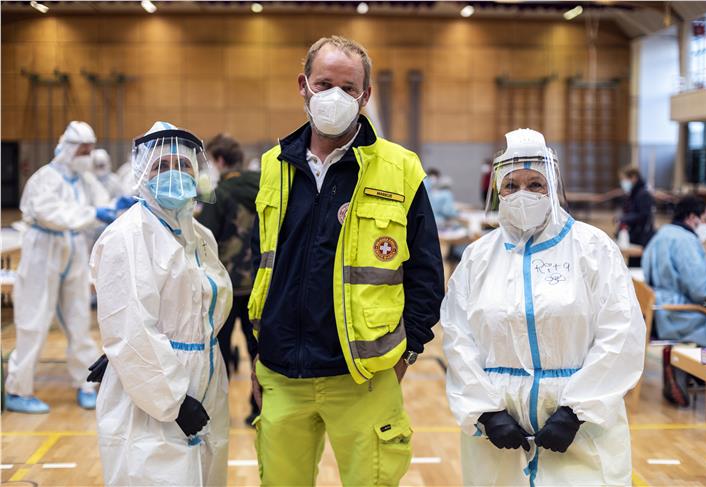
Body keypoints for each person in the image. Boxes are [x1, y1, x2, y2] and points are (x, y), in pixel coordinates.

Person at [248, 36, 444, 486]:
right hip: (282, 374)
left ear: (365, 96)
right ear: (304, 86)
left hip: (363, 377)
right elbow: (261, 267)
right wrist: (261, 353)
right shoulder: (273, 165)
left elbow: (426, 276)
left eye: (349, 87)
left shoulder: (400, 168)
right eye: (324, 83)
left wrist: (407, 352)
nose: (335, 96)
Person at [441, 128, 645, 486]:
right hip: (499, 433)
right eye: (511, 185)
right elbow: (459, 337)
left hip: (582, 429)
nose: (523, 194)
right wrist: (487, 411)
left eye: (535, 184)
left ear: (553, 187)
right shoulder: (478, 258)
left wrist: (576, 410)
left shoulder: (593, 249)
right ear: (498, 191)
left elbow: (621, 332)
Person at [87, 121, 233, 486]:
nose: (173, 174)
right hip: (155, 392)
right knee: (154, 471)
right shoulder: (128, 235)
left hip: (205, 374)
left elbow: (195, 305)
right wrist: (173, 400)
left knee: (205, 470)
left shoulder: (201, 236)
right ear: (141, 173)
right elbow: (132, 327)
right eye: (160, 166)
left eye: (182, 166)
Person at [4, 121, 115, 414]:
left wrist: (119, 207)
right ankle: (18, 389)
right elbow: (52, 214)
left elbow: (104, 203)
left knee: (79, 320)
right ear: (68, 149)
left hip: (74, 248)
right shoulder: (45, 179)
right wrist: (94, 214)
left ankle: (86, 384)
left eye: (90, 150)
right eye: (83, 150)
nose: (87, 156)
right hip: (43, 249)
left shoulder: (84, 180)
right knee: (34, 321)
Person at [196, 133, 261, 426]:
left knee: (218, 351)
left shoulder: (218, 194)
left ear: (219, 160)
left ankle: (217, 412)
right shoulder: (262, 187)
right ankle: (259, 409)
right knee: (258, 349)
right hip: (259, 282)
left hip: (225, 285)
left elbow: (204, 240)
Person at [642, 195, 706, 346]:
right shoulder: (685, 241)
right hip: (678, 315)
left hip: (659, 311)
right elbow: (700, 289)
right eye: (704, 220)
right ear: (691, 217)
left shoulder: (663, 233)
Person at [618, 166, 655, 267]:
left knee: (638, 266)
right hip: (634, 234)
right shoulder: (633, 193)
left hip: (642, 237)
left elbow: (644, 215)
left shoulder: (643, 194)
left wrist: (625, 218)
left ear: (633, 178)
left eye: (624, 179)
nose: (623, 182)